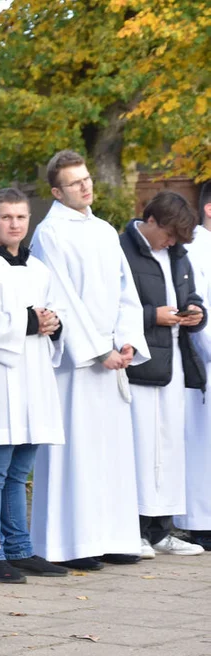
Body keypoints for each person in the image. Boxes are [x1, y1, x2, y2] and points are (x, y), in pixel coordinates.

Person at [29, 149, 149, 570]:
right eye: (75, 182)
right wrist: (100, 350)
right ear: (57, 192)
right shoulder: (50, 233)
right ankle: (74, 543)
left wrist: (128, 340)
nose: (86, 185)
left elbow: (125, 292)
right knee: (77, 451)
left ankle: (113, 536)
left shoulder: (103, 230)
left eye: (86, 178)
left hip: (113, 355)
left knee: (111, 452)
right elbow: (60, 297)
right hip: (78, 365)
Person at [0, 188, 70, 583]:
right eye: (6, 217)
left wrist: (53, 324)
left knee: (20, 469)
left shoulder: (39, 269)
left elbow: (54, 312)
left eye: (21, 218)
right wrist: (29, 322)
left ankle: (19, 548)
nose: (14, 224)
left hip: (34, 377)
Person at [119, 191, 206, 558]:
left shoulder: (178, 255)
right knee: (141, 446)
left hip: (174, 360)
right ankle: (135, 528)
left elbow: (192, 295)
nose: (171, 242)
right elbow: (115, 307)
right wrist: (153, 316)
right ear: (150, 220)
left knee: (170, 447)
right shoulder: (123, 249)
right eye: (168, 234)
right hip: (141, 360)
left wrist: (195, 311)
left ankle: (161, 529)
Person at [178, 182, 211, 548]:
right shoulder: (195, 252)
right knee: (203, 444)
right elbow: (198, 308)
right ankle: (201, 522)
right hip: (204, 359)